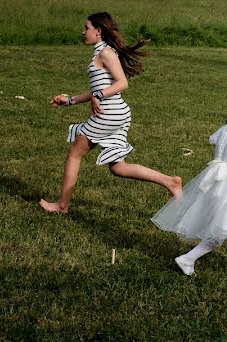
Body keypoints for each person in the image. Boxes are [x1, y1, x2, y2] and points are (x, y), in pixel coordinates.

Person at [39, 12, 181, 214]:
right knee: (118, 167)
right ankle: (170, 181)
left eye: (86, 28)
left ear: (98, 31)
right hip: (116, 114)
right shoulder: (101, 53)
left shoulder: (106, 53)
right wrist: (70, 100)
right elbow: (98, 88)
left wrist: (99, 94)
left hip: (108, 114)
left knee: (74, 154)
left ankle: (62, 205)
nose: (83, 32)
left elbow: (122, 83)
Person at [152, 124, 227, 275]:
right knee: (221, 229)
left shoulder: (224, 129)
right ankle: (188, 258)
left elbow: (215, 143)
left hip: (216, 180)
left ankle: (188, 259)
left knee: (220, 228)